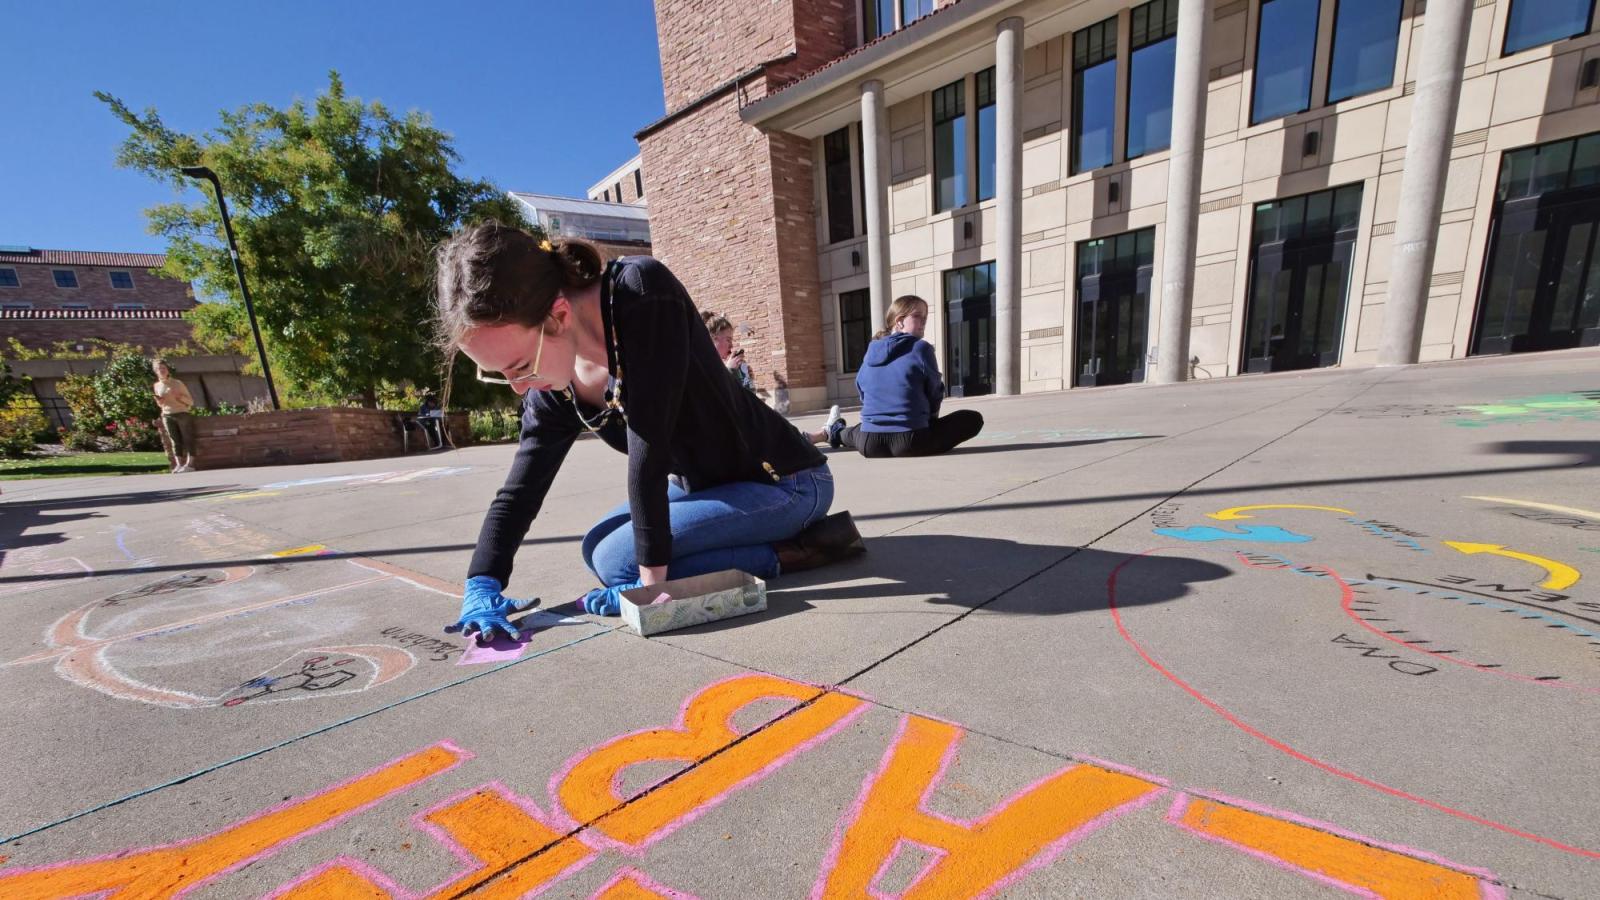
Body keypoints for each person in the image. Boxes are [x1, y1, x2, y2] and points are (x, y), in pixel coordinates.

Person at [433, 223, 865, 642]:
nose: (519, 387)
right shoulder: (555, 386)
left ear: (558, 316)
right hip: (706, 486)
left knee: (621, 562)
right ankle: (739, 544)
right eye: (500, 376)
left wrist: (651, 590)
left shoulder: (640, 292)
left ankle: (801, 549)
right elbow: (521, 489)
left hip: (784, 481)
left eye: (520, 366)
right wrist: (482, 582)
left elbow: (650, 452)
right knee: (598, 549)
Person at [807, 295, 983, 458]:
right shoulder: (921, 348)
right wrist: (929, 419)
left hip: (869, 444)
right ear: (899, 321)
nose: (923, 321)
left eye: (925, 317)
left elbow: (861, 389)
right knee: (972, 419)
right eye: (918, 316)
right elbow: (935, 392)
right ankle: (833, 432)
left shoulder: (871, 351)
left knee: (857, 432)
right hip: (911, 441)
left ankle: (832, 433)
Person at [151, 357, 197, 473]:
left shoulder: (177, 383)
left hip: (181, 413)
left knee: (187, 438)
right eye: (159, 369)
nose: (162, 370)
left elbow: (191, 402)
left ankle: (190, 464)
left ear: (167, 370)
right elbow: (161, 404)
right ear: (156, 371)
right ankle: (178, 464)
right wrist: (159, 402)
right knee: (174, 440)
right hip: (167, 414)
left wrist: (179, 397)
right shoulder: (157, 386)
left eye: (164, 368)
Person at [705, 315, 757, 392]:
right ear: (713, 339)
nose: (731, 346)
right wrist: (730, 370)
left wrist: (748, 381)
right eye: (728, 340)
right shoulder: (703, 366)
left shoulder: (721, 365)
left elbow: (746, 397)